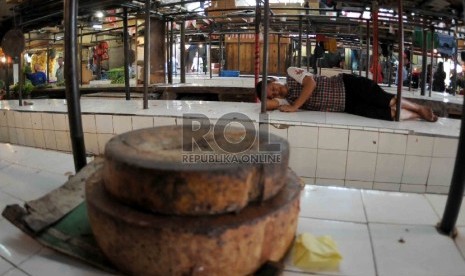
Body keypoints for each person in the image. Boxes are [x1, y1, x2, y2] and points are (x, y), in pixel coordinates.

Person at [256, 67, 438, 122]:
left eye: (272, 88)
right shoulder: (287, 101)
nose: (276, 92)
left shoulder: (290, 73)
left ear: (274, 80)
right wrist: (270, 100)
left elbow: (310, 83)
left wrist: (295, 107)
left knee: (385, 100)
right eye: (272, 94)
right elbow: (266, 106)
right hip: (346, 106)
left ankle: (418, 108)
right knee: (385, 115)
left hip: (348, 85)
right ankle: (416, 114)